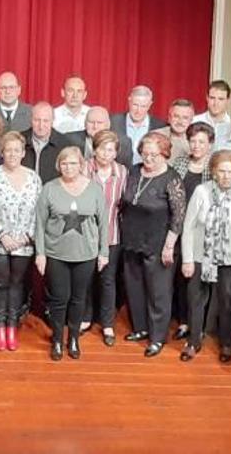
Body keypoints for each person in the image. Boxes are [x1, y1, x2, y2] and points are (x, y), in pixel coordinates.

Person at [35, 146, 108, 360]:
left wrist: (103, 252)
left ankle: (73, 338)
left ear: (81, 165)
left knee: (78, 299)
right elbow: (39, 223)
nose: (68, 167)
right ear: (59, 165)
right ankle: (57, 339)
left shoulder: (94, 189)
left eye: (73, 163)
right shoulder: (49, 189)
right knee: (59, 299)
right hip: (56, 253)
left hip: (86, 254)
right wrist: (40, 253)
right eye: (64, 163)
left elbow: (104, 223)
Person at [120, 132, 186, 357]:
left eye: (154, 155)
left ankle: (157, 337)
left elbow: (178, 215)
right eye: (145, 154)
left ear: (165, 154)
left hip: (159, 245)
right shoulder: (134, 172)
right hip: (132, 241)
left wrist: (169, 246)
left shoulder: (171, 178)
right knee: (135, 288)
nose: (148, 159)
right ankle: (140, 328)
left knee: (158, 293)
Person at [179, 150, 231, 362]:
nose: (226, 176)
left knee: (227, 301)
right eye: (221, 171)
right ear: (214, 172)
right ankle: (193, 342)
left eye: (230, 171)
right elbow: (188, 226)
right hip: (200, 256)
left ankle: (226, 344)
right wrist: (187, 258)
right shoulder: (201, 191)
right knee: (195, 299)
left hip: (230, 258)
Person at [0, 131, 42, 351]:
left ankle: (12, 326)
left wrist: (26, 236)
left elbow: (40, 211)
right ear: (2, 152)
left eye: (17, 150)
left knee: (17, 284)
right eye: (8, 150)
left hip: (24, 243)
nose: (13, 154)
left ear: (23, 152)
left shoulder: (34, 178)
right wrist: (2, 235)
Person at [81, 130, 127, 346]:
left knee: (108, 281)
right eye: (101, 148)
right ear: (94, 149)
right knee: (87, 279)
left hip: (111, 234)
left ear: (116, 152)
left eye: (110, 149)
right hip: (86, 235)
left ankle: (107, 323)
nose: (106, 154)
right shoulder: (84, 168)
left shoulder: (122, 172)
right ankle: (85, 317)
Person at [170, 122, 214, 340]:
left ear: (210, 143)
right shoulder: (180, 162)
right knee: (179, 275)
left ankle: (199, 323)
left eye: (201, 141)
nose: (196, 146)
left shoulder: (214, 166)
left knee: (197, 280)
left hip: (202, 231)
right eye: (193, 141)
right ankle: (183, 322)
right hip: (178, 226)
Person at [110, 85, 168, 164]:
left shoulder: (160, 127)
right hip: (118, 173)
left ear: (150, 104)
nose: (138, 110)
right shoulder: (113, 122)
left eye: (143, 106)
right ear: (129, 101)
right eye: (135, 105)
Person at [20, 102, 72, 184]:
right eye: (37, 120)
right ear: (31, 119)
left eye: (46, 121)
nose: (41, 125)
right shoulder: (19, 140)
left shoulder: (65, 144)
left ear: (52, 121)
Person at [66, 106, 133, 168]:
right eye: (91, 122)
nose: (95, 126)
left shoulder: (123, 142)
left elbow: (127, 171)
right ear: (85, 123)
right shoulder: (69, 139)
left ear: (108, 124)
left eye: (100, 123)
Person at [154, 99, 194, 165]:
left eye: (185, 118)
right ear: (169, 118)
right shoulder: (155, 136)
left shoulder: (197, 141)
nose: (180, 122)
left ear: (191, 120)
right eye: (176, 116)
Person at [193, 80, 231, 146]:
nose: (216, 103)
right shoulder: (195, 121)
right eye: (212, 98)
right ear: (207, 98)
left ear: (227, 100)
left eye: (221, 99)